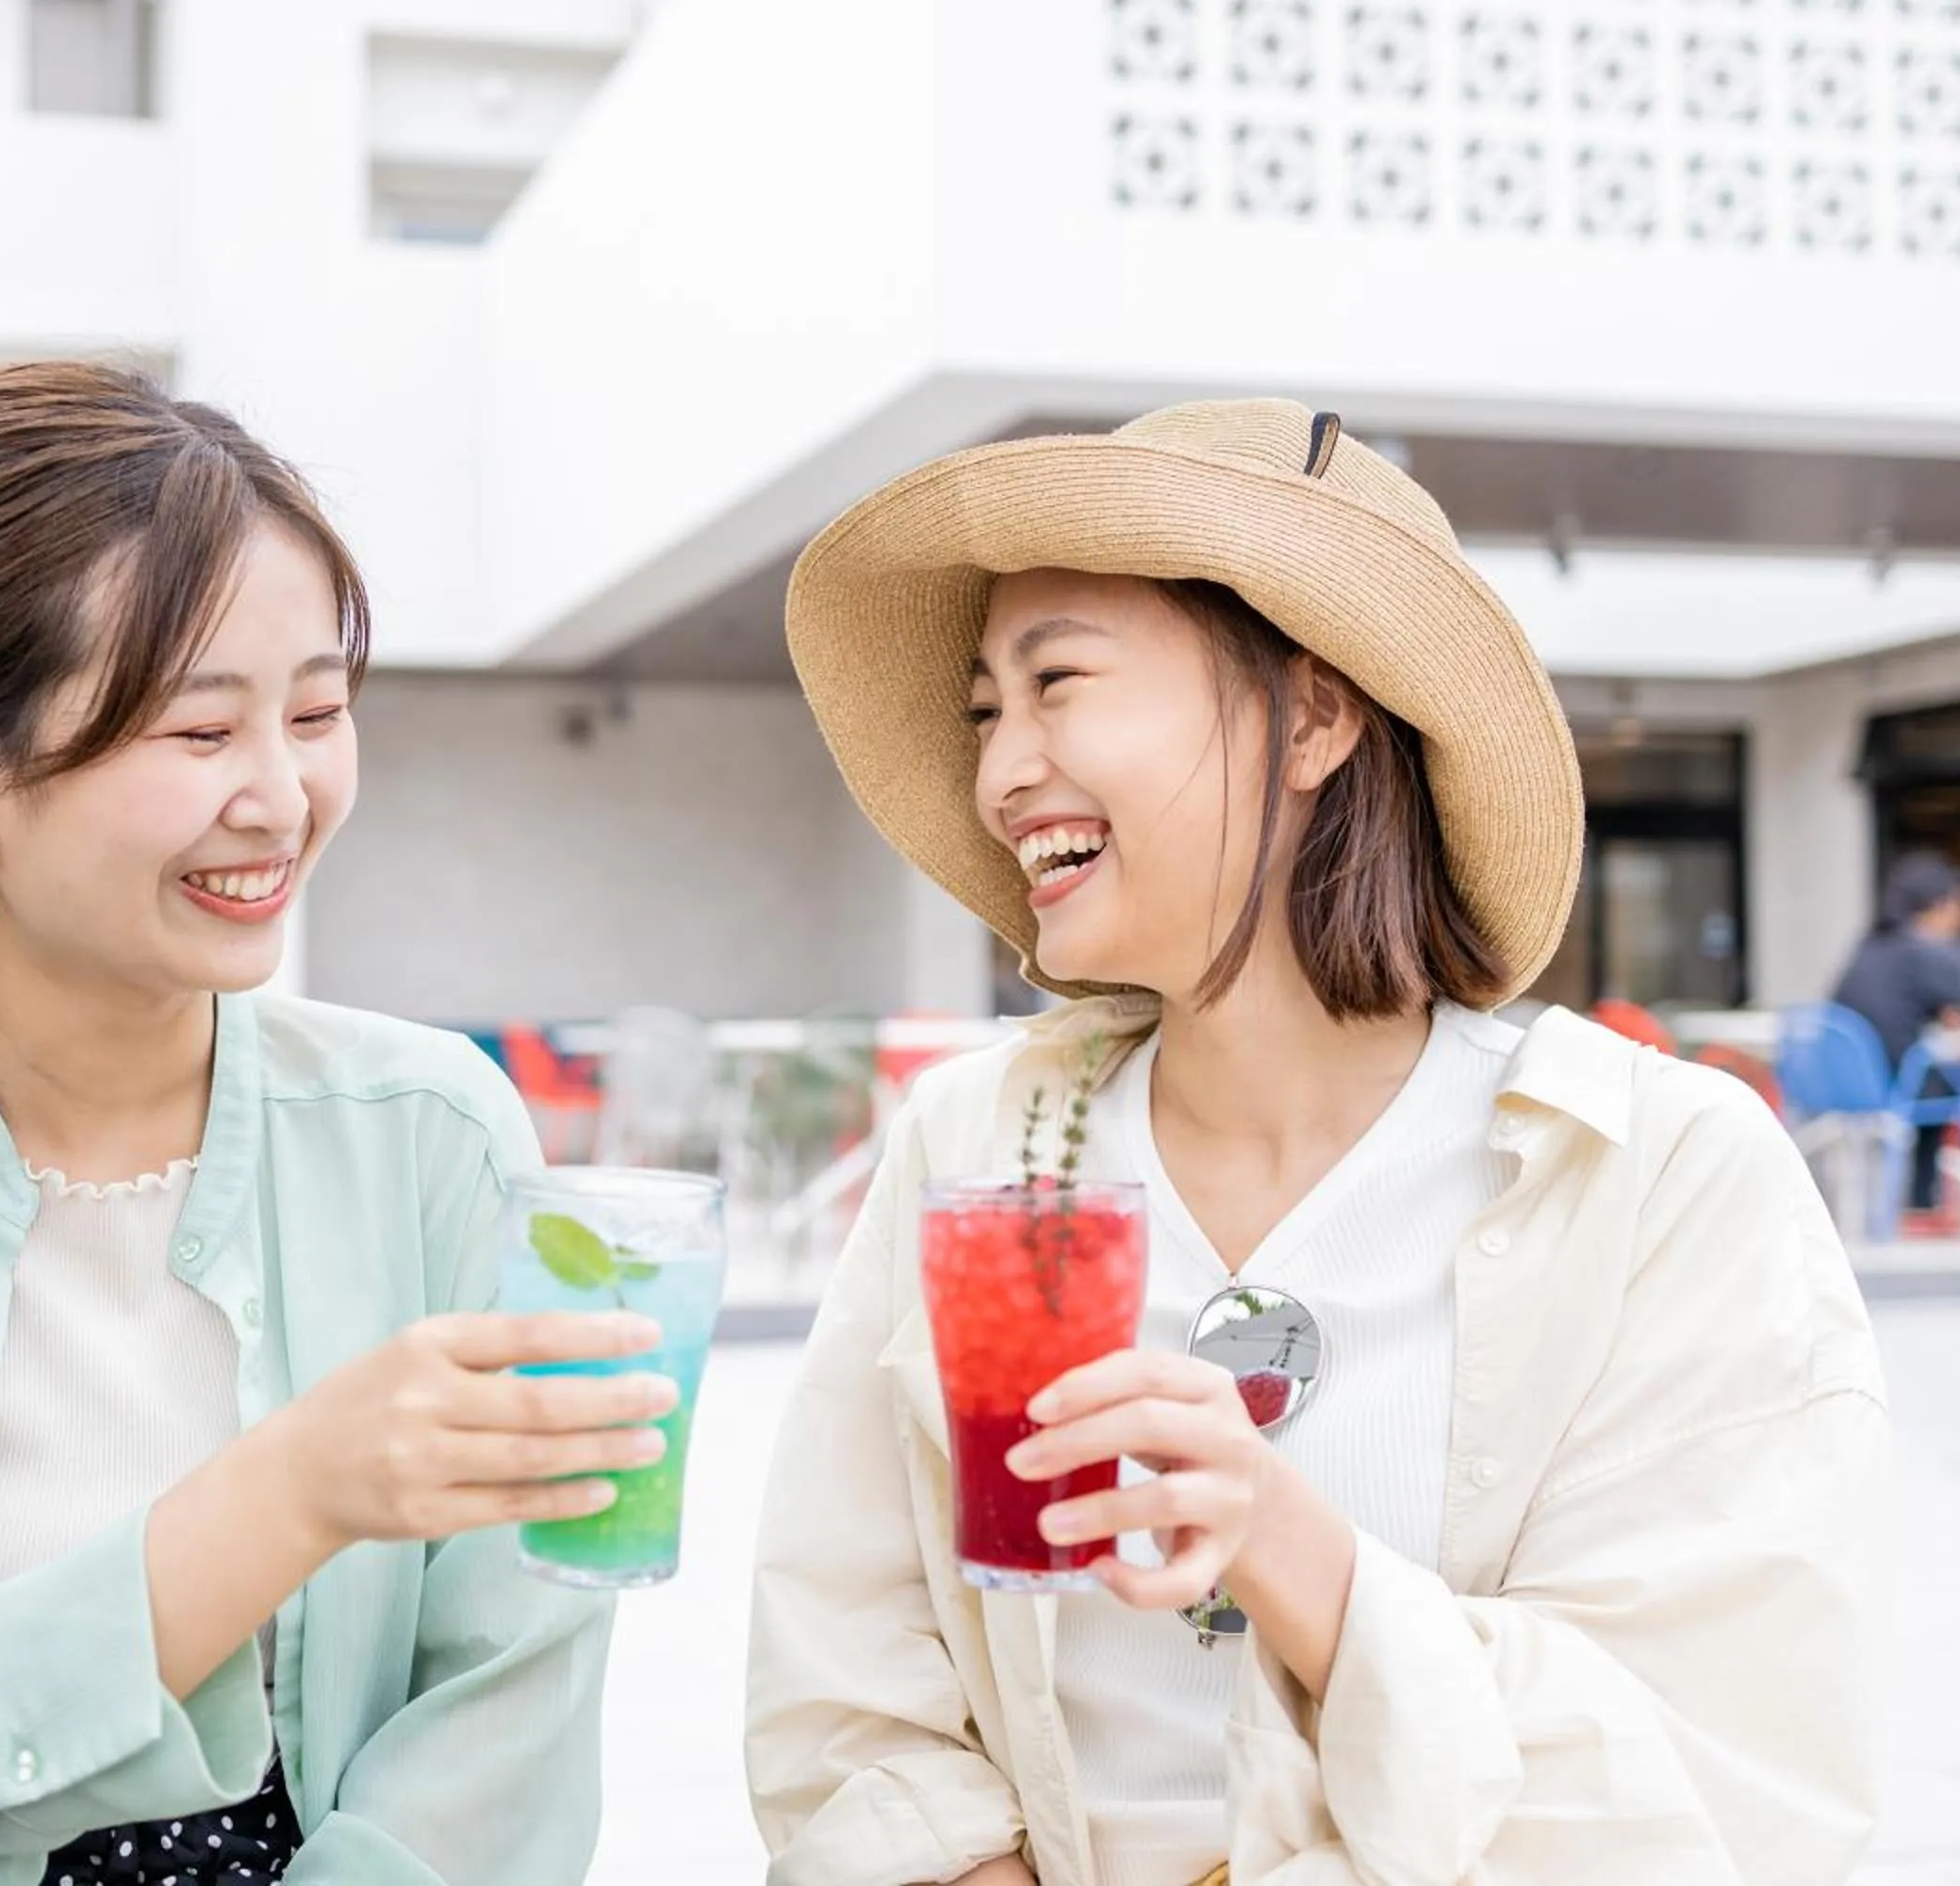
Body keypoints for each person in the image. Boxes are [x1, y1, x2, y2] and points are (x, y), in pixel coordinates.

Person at [746, 403, 1886, 1885]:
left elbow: (1721, 1767)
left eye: (1060, 684)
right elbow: (842, 1678)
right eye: (984, 714)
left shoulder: (1657, 1168)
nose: (1001, 773)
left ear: (1322, 715)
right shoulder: (980, 1143)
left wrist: (1302, 1557)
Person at [0, 361, 667, 1886]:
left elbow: (506, 1721)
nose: (281, 798)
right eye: (198, 734)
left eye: (318, 714)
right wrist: (287, 1493)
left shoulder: (435, 1136)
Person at [1832, 849, 1960, 1214]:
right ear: (1940, 905)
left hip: (1852, 1083)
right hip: (1900, 1082)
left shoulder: (1868, 948)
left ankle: (1922, 1200)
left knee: (1941, 1078)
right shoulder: (1925, 950)